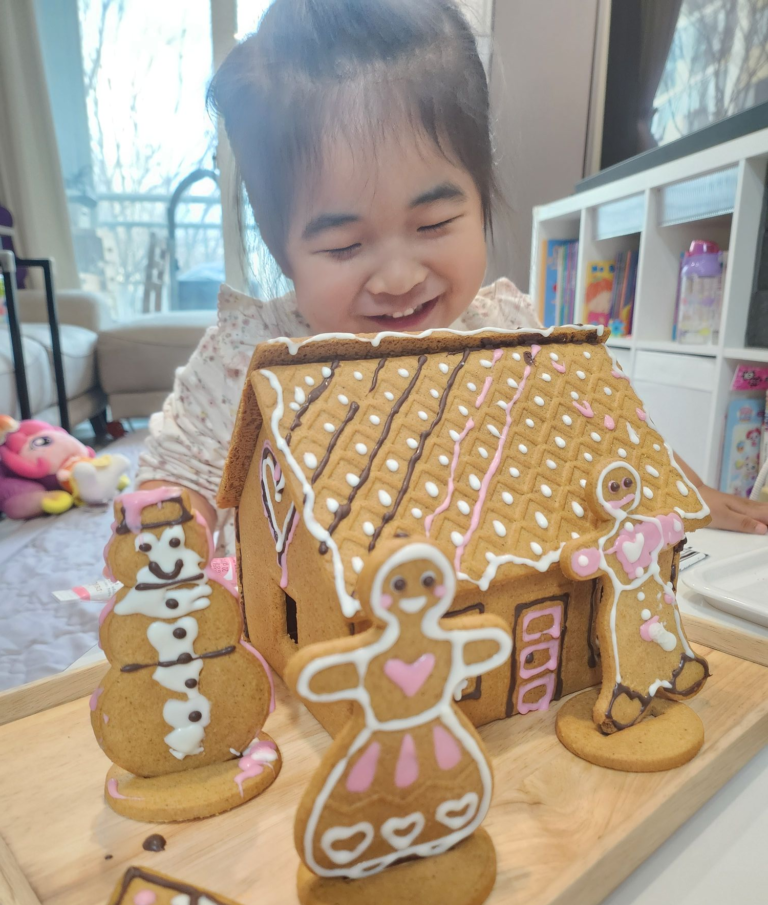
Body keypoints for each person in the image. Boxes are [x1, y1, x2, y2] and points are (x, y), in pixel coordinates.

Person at [137, 0, 768, 552]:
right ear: (282, 255)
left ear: (482, 199)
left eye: (435, 223)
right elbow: (179, 477)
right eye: (345, 244)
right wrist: (170, 527)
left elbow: (607, 431)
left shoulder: (508, 335)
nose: (399, 276)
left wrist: (679, 486)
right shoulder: (253, 357)